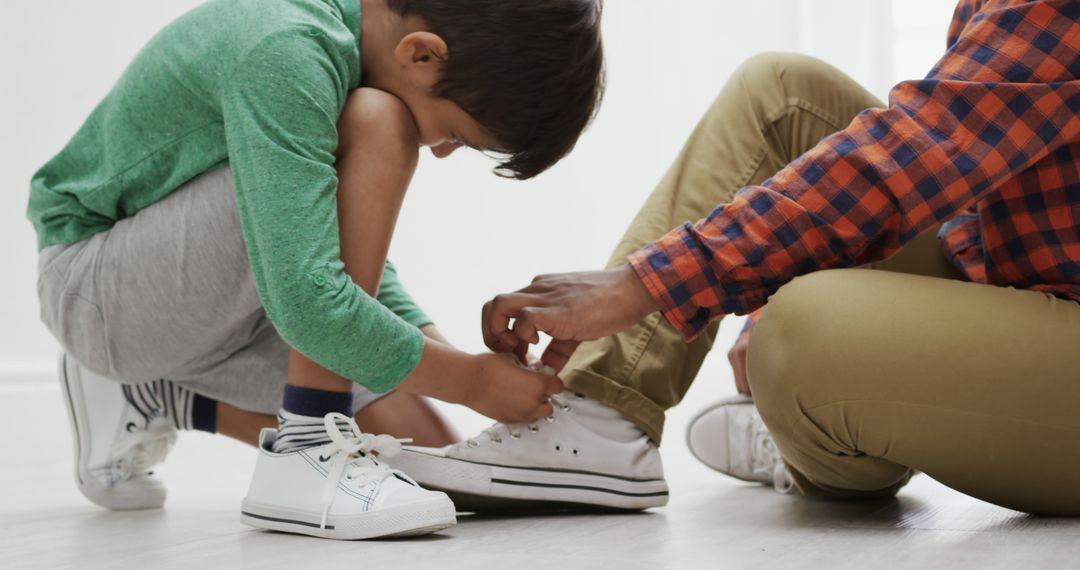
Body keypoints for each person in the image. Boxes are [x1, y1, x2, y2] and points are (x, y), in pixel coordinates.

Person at [391, 0, 1080, 516]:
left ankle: (822, 429)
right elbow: (973, 165)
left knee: (805, 336)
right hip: (1018, 276)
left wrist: (647, 282)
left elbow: (927, 148)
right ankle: (601, 423)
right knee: (782, 91)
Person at [30, 0, 601, 539]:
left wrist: (452, 359)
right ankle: (306, 449)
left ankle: (159, 396)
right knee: (380, 121)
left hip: (220, 298)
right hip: (97, 289)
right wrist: (470, 381)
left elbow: (325, 251)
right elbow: (310, 297)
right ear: (421, 54)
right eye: (454, 134)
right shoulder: (288, 49)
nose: (443, 150)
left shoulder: (341, 45)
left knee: (432, 465)